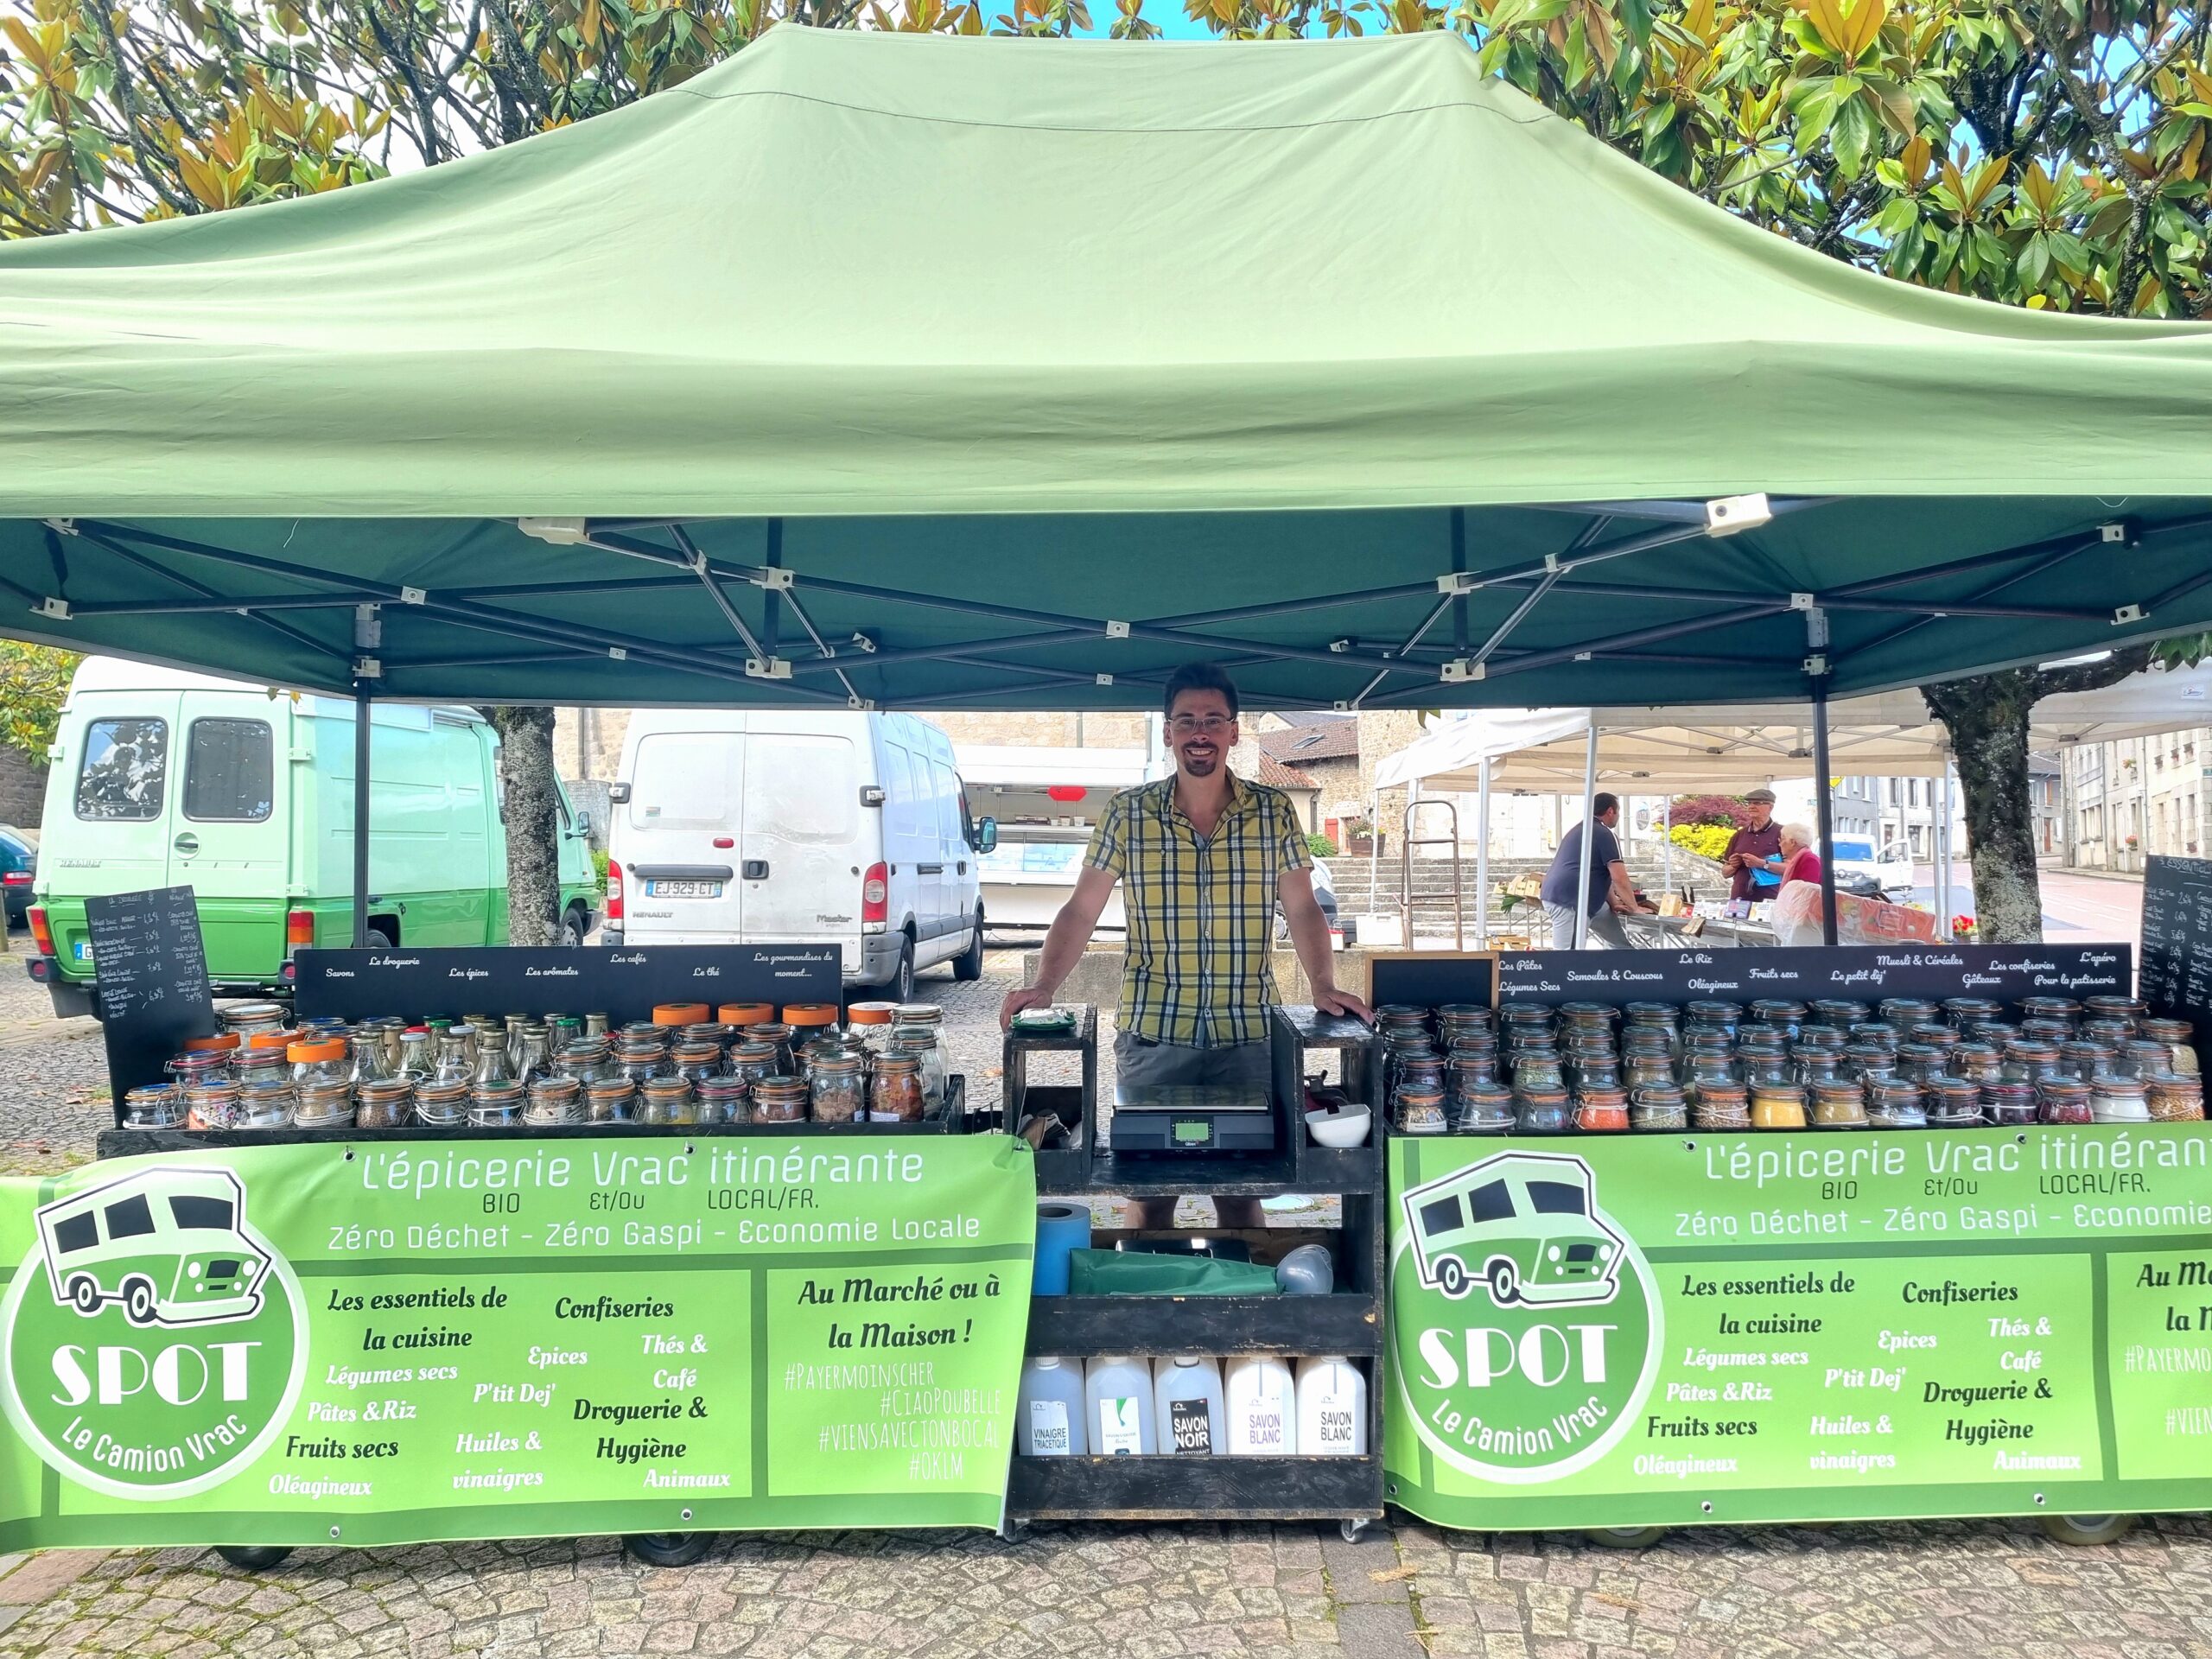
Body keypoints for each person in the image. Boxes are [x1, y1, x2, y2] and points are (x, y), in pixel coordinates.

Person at [1001, 664, 1373, 1224]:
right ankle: (1143, 1305)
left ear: (1234, 731)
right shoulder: (1128, 814)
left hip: (1247, 1035)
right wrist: (1043, 986)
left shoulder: (1273, 813)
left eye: (1213, 720)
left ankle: (1246, 1309)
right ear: (1168, 731)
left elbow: (1301, 907)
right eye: (1187, 720)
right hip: (1155, 1037)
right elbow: (1082, 909)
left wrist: (1323, 984)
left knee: (1242, 1192)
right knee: (1149, 1194)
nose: (1200, 732)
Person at [1539, 792, 1654, 949]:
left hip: (1572, 896)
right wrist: (1634, 907)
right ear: (1610, 811)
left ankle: (1628, 959)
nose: (1618, 816)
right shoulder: (1605, 834)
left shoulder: (1580, 829)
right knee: (1567, 956)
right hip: (1571, 900)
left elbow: (1598, 873)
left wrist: (1613, 902)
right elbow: (1619, 877)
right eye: (1618, 811)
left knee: (1618, 941)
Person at [1720, 787, 1783, 903]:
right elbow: (1725, 873)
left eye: (1757, 803)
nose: (1751, 806)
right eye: (1749, 803)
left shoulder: (1783, 833)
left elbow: (1792, 868)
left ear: (1771, 807)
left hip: (1770, 901)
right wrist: (1734, 866)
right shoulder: (1739, 835)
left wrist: (1761, 863)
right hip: (1739, 902)